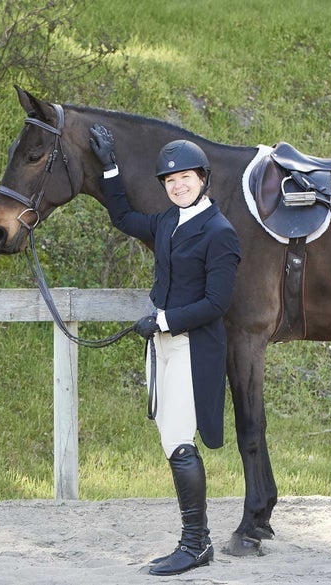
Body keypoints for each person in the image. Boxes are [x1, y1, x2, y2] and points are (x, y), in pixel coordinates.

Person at [89, 125, 241, 576]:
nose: (177, 185)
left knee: (178, 443)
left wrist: (162, 319)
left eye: (185, 178)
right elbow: (122, 217)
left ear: (203, 179)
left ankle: (195, 543)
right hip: (165, 346)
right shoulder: (167, 222)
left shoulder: (220, 233)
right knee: (171, 439)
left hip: (195, 348)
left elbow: (217, 303)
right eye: (170, 181)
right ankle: (197, 541)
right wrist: (110, 168)